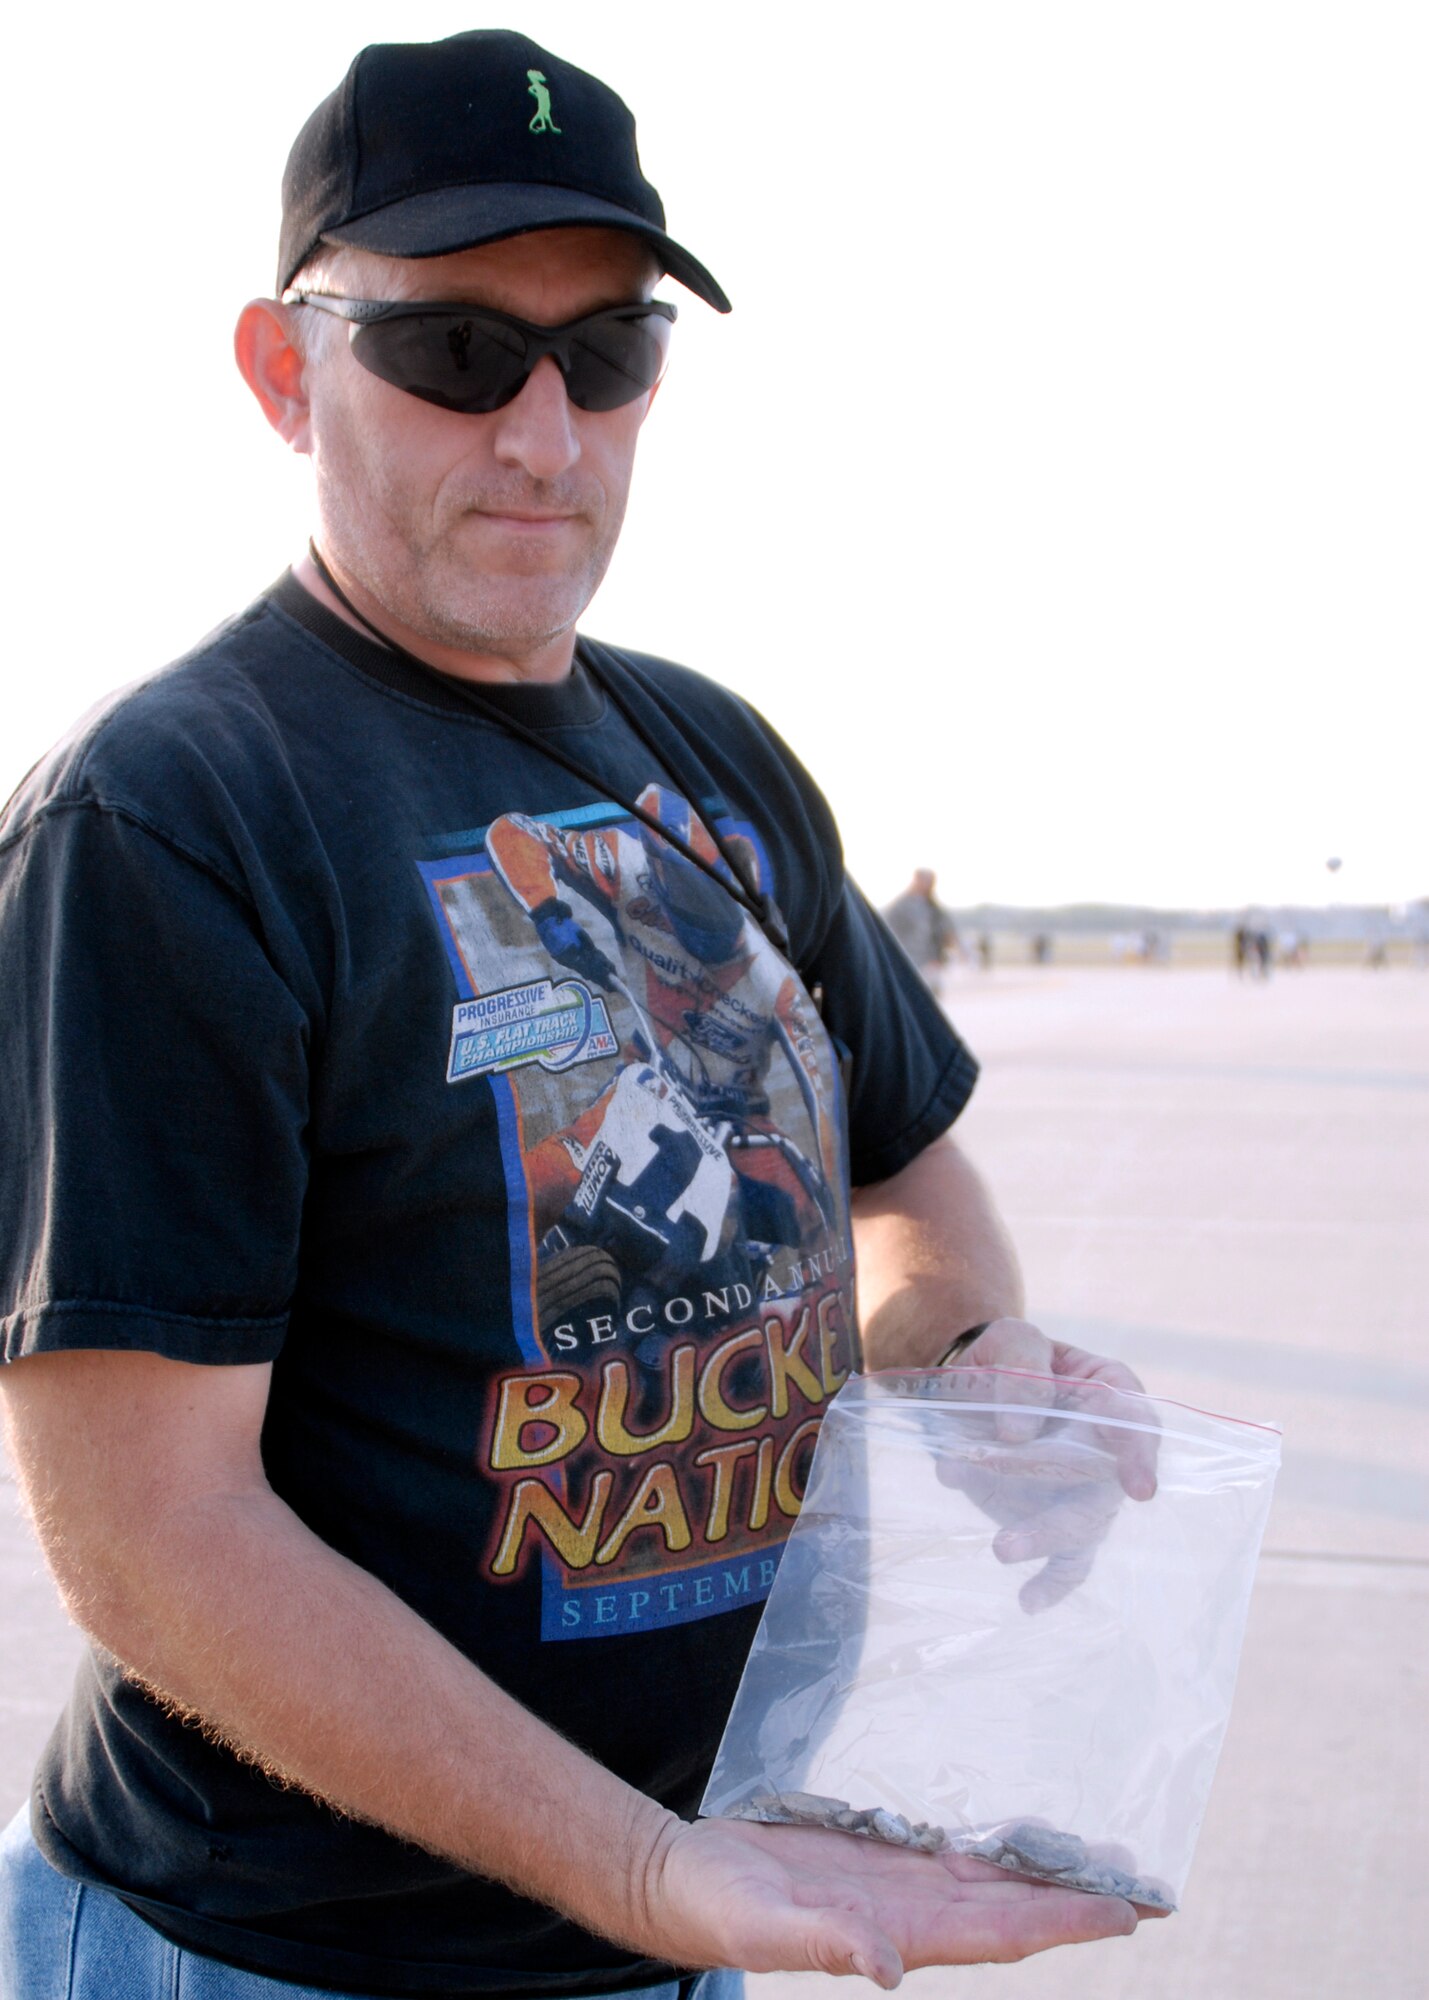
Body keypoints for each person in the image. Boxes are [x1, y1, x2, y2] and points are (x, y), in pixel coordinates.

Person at [0, 30, 1159, 2000]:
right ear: (288, 372)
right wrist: (640, 1868)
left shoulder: (709, 751)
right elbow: (146, 1532)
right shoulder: (175, 817)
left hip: (697, 1911)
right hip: (286, 1955)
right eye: (454, 353)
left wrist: (970, 1355)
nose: (545, 433)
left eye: (606, 351)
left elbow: (895, 1176)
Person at [880, 868, 960, 981]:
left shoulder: (934, 907)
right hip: (908, 960)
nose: (929, 885)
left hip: (931, 962)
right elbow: (888, 931)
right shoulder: (901, 906)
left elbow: (946, 930)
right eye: (925, 880)